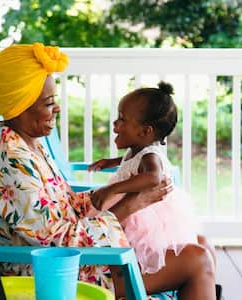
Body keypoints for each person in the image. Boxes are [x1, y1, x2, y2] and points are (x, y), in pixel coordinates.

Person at [0, 42, 216, 300]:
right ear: (20, 106)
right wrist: (132, 203)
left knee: (201, 244)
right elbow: (56, 244)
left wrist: (106, 193)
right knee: (198, 260)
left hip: (73, 259)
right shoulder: (13, 162)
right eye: (49, 103)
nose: (57, 108)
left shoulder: (28, 146)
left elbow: (63, 210)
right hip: (51, 273)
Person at [89, 82, 218, 298]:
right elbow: (129, 161)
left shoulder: (150, 157)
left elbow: (153, 176)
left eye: (122, 119)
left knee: (152, 246)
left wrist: (113, 189)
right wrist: (110, 162)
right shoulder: (139, 150)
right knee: (200, 248)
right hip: (135, 211)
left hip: (146, 217)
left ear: (145, 131)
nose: (115, 123)